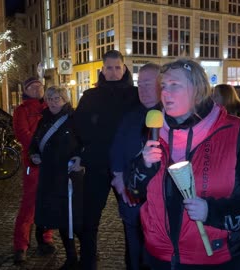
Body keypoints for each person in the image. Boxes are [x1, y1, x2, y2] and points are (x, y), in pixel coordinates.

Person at [128, 58, 240, 269]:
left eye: (175, 85)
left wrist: (213, 212)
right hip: (157, 258)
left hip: (215, 260)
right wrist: (143, 166)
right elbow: (133, 190)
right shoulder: (153, 129)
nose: (165, 92)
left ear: (197, 90)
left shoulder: (233, 132)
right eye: (163, 86)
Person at [73, 49, 140, 270]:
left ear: (124, 68)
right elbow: (79, 126)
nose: (113, 72)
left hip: (127, 168)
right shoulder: (90, 96)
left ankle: (134, 263)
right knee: (90, 219)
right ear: (102, 69)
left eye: (117, 67)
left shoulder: (135, 95)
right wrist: (90, 148)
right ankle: (88, 262)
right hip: (97, 164)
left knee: (132, 219)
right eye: (109, 68)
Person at [110, 63, 161, 270]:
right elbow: (115, 149)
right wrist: (119, 179)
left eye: (148, 84)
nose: (143, 89)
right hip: (132, 202)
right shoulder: (130, 116)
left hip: (161, 204)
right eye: (140, 84)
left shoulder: (173, 116)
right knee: (134, 252)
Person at [29, 86, 84, 270]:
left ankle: (87, 253)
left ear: (65, 100)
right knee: (61, 219)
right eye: (50, 98)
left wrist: (80, 158)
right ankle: (71, 258)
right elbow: (34, 143)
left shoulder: (74, 119)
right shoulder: (43, 120)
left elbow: (86, 142)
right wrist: (34, 154)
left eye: (57, 98)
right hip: (50, 177)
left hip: (69, 178)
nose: (53, 102)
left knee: (75, 220)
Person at [12, 77, 54, 264]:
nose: (37, 89)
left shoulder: (49, 107)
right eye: (33, 87)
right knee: (29, 205)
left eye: (40, 86)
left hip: (50, 162)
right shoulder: (22, 111)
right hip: (34, 163)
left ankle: (46, 238)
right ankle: (21, 244)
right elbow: (23, 133)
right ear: (26, 90)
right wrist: (40, 148)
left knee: (48, 201)